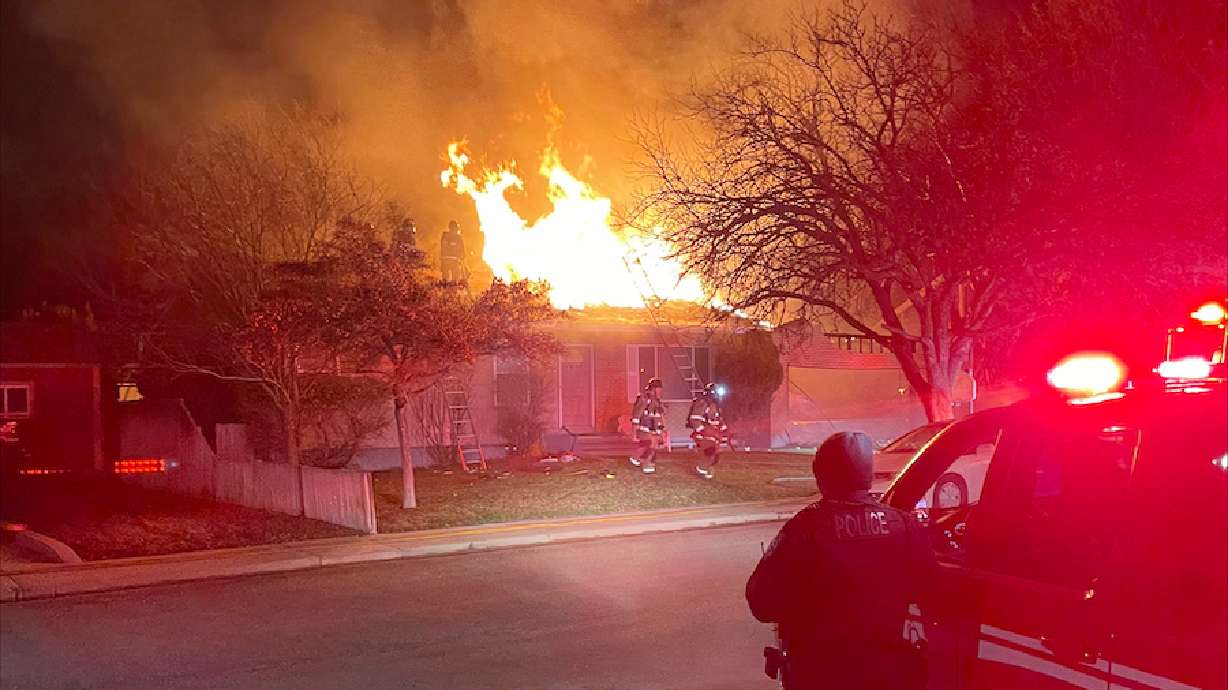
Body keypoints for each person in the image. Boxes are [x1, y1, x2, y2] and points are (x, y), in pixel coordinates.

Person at [746, 432, 935, 690]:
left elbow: (761, 603)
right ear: (867, 475)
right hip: (886, 671)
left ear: (821, 476)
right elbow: (932, 591)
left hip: (820, 674)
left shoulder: (804, 529)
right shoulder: (904, 525)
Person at [688, 383, 729, 479]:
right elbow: (695, 419)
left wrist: (724, 430)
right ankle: (703, 469)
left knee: (715, 455)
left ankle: (706, 469)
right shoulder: (702, 403)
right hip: (704, 435)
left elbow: (718, 420)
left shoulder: (715, 406)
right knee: (709, 452)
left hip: (713, 435)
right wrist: (702, 430)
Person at [628, 378, 666, 474]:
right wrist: (634, 432)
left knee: (649, 446)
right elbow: (636, 416)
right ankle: (646, 464)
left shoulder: (657, 401)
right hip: (644, 428)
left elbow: (658, 417)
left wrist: (661, 430)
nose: (660, 391)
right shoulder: (644, 398)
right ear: (653, 388)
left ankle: (635, 459)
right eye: (658, 389)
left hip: (653, 429)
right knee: (650, 446)